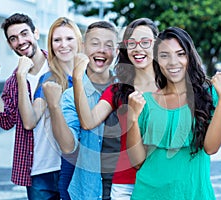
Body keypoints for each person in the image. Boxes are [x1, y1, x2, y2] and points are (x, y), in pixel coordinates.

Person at [126, 27, 221, 200]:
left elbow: (211, 148)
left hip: (194, 194)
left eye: (180, 54)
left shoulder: (209, 96)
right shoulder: (145, 101)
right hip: (149, 194)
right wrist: (132, 118)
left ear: (189, 57)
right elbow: (137, 162)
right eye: (164, 55)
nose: (173, 62)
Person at [72, 18, 158, 200]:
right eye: (132, 43)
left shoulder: (170, 89)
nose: (138, 48)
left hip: (159, 180)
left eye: (145, 42)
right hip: (124, 184)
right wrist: (77, 78)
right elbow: (88, 122)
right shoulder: (117, 90)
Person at [0, 13, 60, 199]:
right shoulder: (13, 81)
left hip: (68, 165)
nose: (20, 41)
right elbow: (6, 121)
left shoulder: (59, 67)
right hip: (37, 171)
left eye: (24, 33)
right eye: (13, 38)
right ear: (10, 45)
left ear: (36, 33)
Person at [43, 21, 119, 200]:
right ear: (83, 47)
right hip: (89, 189)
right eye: (95, 43)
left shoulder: (127, 90)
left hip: (126, 189)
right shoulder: (71, 96)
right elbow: (68, 147)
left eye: (108, 45)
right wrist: (54, 107)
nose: (101, 49)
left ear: (116, 51)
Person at [19, 17, 82, 200]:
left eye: (69, 39)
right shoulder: (48, 80)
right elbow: (29, 121)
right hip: (49, 168)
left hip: (82, 169)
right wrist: (21, 77)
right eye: (57, 40)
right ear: (51, 44)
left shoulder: (91, 78)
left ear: (78, 41)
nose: (63, 45)